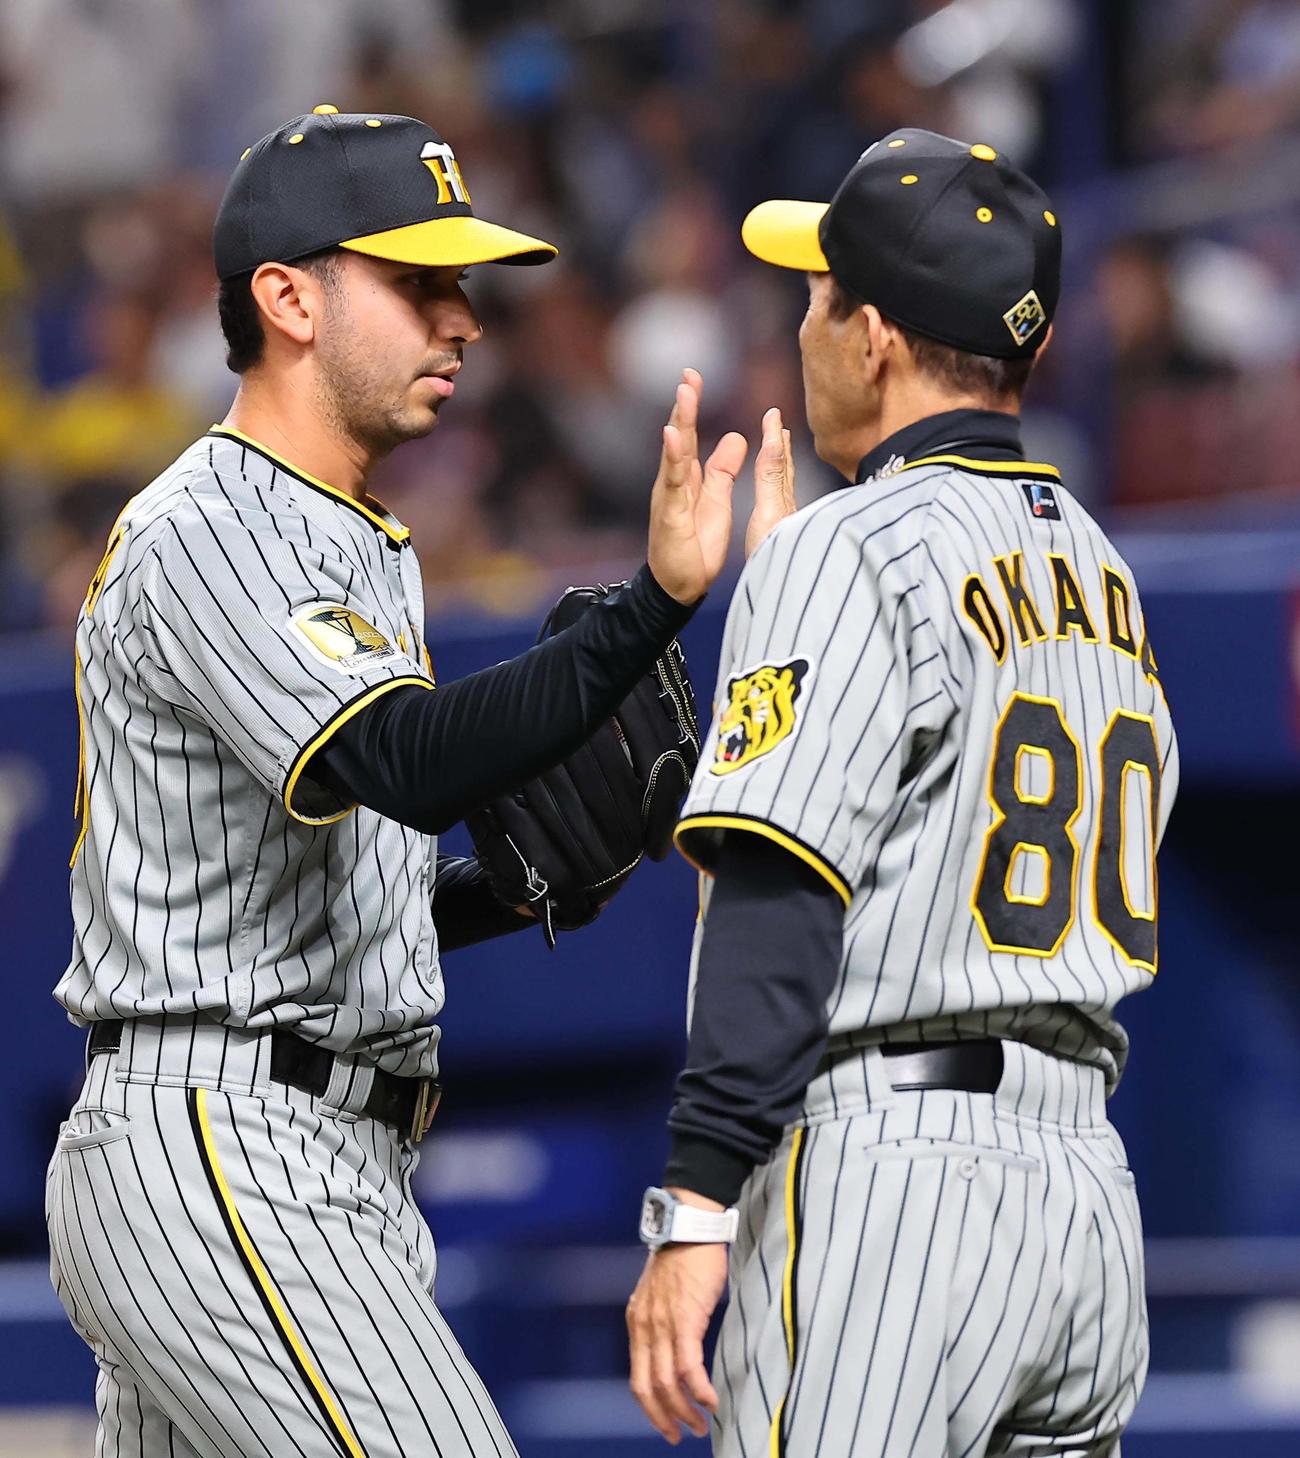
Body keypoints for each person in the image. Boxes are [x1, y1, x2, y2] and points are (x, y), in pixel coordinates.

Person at [45, 104, 791, 1458]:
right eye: (417, 279)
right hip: (224, 1142)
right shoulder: (211, 526)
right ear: (288, 298)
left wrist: (502, 894)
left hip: (309, 1135)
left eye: (463, 283)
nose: (464, 319)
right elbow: (402, 757)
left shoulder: (357, 538)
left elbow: (315, 887)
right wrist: (653, 606)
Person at [626, 128, 1178, 1456]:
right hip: (1087, 1199)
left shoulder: (841, 547)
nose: (804, 322)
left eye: (819, 297)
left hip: (895, 1184)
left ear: (874, 337)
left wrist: (696, 1209)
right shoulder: (1106, 572)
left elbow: (778, 899)